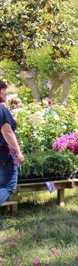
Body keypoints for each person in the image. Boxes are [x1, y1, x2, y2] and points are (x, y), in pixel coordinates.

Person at [0, 81, 24, 230]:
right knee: (8, 187)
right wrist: (18, 151)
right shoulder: (1, 110)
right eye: (5, 91)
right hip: (4, 155)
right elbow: (7, 131)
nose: (6, 94)